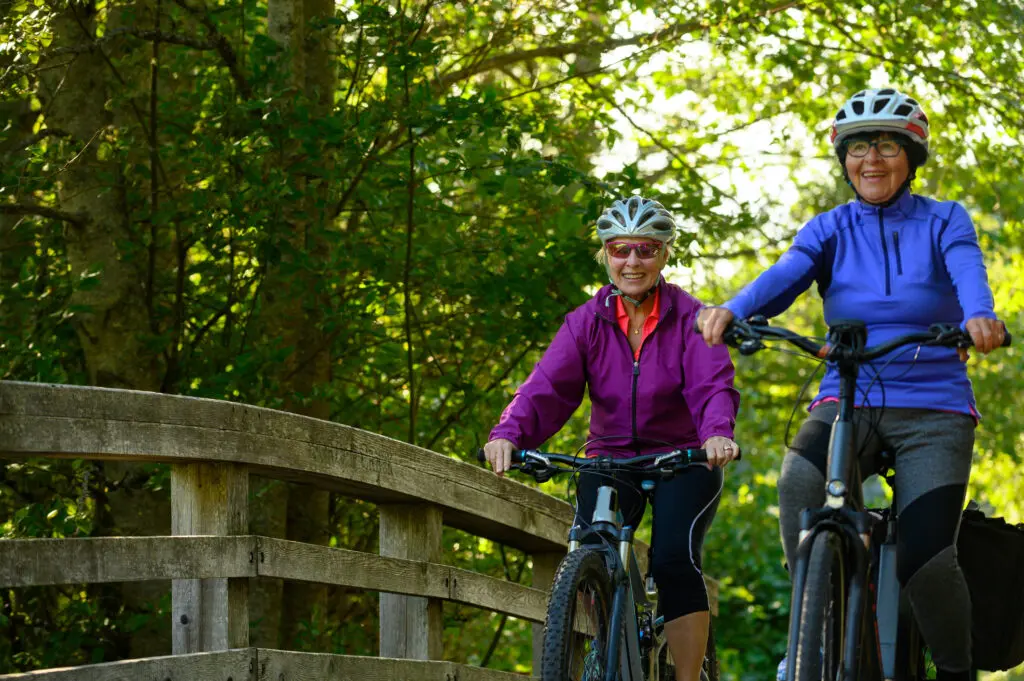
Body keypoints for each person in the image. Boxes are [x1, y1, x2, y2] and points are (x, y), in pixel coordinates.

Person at [697, 87, 1006, 681]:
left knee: (928, 559)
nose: (872, 160)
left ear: (911, 157)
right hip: (849, 396)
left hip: (934, 407)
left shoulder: (946, 219)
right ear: (844, 160)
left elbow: (968, 270)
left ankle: (956, 671)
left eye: (887, 146)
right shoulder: (829, 228)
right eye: (860, 147)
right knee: (799, 484)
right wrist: (732, 309)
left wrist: (978, 318)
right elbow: (786, 275)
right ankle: (815, 629)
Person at [483, 195, 741, 681]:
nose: (632, 262)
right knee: (592, 543)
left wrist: (716, 435)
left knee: (672, 559)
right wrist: (509, 434)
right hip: (610, 455)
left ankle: (687, 678)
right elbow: (547, 388)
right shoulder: (586, 322)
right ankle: (607, 647)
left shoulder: (691, 317)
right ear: (605, 254)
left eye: (645, 249)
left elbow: (712, 386)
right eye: (620, 249)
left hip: (683, 457)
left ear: (665, 253)